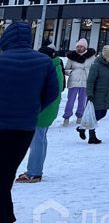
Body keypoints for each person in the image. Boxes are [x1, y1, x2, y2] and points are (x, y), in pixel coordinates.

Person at [0, 22, 59, 223]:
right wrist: (32, 109)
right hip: (23, 129)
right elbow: (52, 93)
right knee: (6, 172)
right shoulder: (44, 62)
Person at [16, 45, 65, 183]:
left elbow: (39, 90)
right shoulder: (56, 68)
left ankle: (34, 173)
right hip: (49, 109)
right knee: (41, 140)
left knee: (37, 141)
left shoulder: (48, 70)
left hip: (42, 110)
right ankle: (35, 170)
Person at [79, 46, 109, 145]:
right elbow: (90, 82)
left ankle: (83, 127)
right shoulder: (96, 65)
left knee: (103, 113)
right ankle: (92, 136)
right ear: (104, 56)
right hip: (96, 95)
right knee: (95, 115)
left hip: (105, 94)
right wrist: (90, 94)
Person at [62, 38, 96, 126]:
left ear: (85, 47)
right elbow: (65, 69)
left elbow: (95, 69)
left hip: (85, 81)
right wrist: (70, 72)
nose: (79, 48)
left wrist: (92, 75)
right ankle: (66, 118)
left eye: (81, 46)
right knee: (70, 101)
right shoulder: (71, 57)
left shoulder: (91, 57)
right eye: (78, 46)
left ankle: (79, 117)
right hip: (73, 81)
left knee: (82, 100)